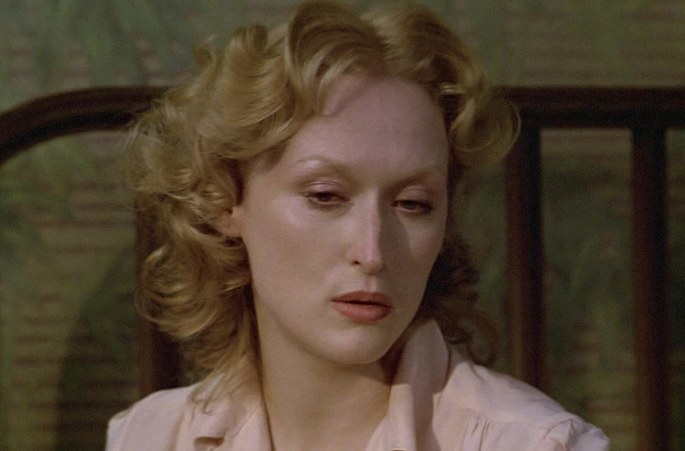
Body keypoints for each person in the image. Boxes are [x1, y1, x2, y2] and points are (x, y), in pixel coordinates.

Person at [107, 1, 610, 449]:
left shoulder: (536, 444)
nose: (372, 252)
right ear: (225, 199)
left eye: (413, 204)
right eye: (325, 196)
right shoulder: (149, 436)